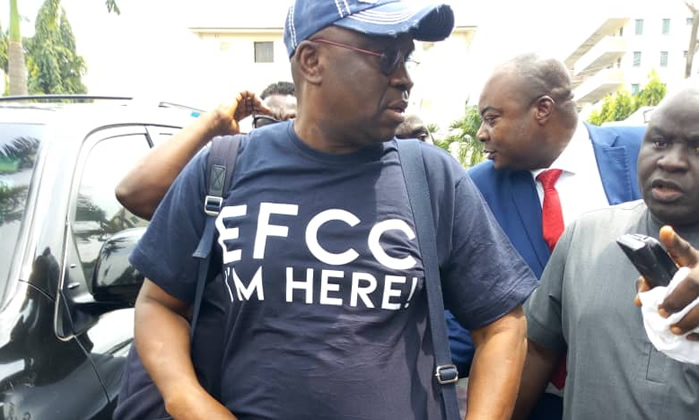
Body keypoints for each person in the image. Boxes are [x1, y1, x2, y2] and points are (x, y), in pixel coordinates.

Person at [128, 0, 539, 419]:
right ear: (312, 61)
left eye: (407, 57)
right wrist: (187, 400)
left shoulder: (432, 178)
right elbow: (159, 304)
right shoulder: (224, 167)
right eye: (387, 57)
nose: (405, 77)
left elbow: (502, 325)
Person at [445, 53, 646, 419]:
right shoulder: (475, 189)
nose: (481, 133)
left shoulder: (644, 152)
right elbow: (466, 308)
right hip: (531, 404)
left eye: (492, 118)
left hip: (635, 399)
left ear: (542, 109)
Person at [513, 85, 699, 420]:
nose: (670, 161)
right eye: (659, 142)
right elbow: (536, 350)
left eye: (697, 146)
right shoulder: (586, 237)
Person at [115, 83, 296, 220]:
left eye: (292, 123)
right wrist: (214, 123)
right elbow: (133, 194)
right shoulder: (222, 179)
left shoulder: (314, 186)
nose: (278, 133)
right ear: (253, 127)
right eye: (267, 122)